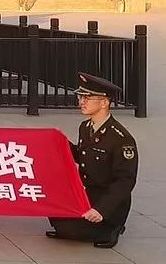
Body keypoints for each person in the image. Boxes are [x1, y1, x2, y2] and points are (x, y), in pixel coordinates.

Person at [46, 72, 139, 249]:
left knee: (69, 228)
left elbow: (125, 181)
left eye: (87, 98)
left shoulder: (121, 139)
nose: (82, 102)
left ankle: (112, 229)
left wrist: (101, 209)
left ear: (104, 102)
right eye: (81, 97)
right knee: (53, 209)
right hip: (86, 195)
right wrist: (60, 142)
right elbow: (83, 155)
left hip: (105, 203)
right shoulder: (86, 127)